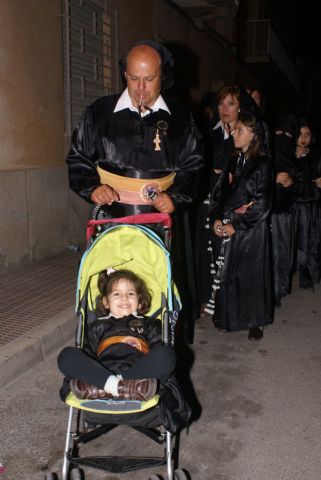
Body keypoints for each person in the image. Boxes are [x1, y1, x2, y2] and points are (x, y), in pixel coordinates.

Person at [66, 39, 203, 341]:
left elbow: (193, 166)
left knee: (157, 292)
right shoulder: (99, 113)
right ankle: (105, 346)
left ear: (163, 76)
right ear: (124, 74)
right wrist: (92, 188)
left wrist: (175, 197)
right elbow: (77, 158)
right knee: (112, 289)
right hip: (112, 220)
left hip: (159, 221)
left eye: (150, 79)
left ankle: (156, 350)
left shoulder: (181, 118)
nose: (140, 87)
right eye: (133, 78)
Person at [58, 269, 176, 401]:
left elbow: (157, 350)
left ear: (140, 301)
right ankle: (115, 386)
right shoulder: (97, 326)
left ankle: (113, 387)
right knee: (66, 356)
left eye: (131, 293)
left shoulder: (150, 324)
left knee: (167, 354)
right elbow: (87, 354)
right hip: (101, 374)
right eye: (116, 294)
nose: (124, 298)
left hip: (138, 375)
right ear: (106, 302)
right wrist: (100, 376)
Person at [208, 112, 273, 339]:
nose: (234, 134)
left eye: (240, 131)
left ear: (253, 135)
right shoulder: (233, 161)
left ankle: (256, 321)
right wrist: (216, 217)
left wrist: (240, 223)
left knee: (252, 274)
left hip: (252, 229)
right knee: (229, 273)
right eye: (234, 130)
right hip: (229, 224)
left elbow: (263, 202)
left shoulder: (263, 164)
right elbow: (219, 193)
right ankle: (229, 316)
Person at [292, 119, 321, 289]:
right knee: (299, 240)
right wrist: (295, 159)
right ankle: (299, 269)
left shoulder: (316, 156)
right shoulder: (288, 155)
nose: (303, 138)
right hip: (297, 205)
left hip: (313, 204)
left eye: (307, 135)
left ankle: (310, 272)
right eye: (300, 134)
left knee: (313, 239)